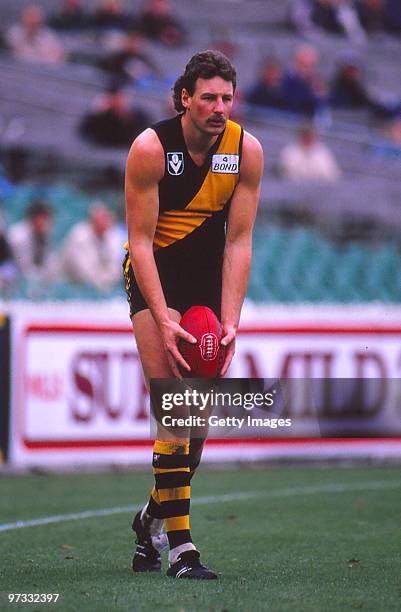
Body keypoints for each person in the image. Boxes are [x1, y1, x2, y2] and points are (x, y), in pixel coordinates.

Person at [123, 50, 263, 579]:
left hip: (207, 285)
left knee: (195, 439)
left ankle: (148, 521)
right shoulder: (150, 149)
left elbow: (241, 241)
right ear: (185, 97)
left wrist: (231, 321)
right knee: (175, 416)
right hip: (154, 278)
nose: (219, 108)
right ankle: (181, 551)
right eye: (208, 97)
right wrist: (161, 316)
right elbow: (139, 240)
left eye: (227, 98)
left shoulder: (246, 151)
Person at [61, 202, 122, 291]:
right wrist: (104, 283)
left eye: (105, 218)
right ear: (92, 221)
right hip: (71, 286)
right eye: (100, 219)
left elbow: (116, 270)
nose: (103, 222)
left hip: (101, 286)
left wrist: (106, 283)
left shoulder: (113, 235)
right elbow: (83, 274)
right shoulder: (79, 236)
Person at [8, 199, 59, 285]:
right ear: (33, 218)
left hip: (33, 281)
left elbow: (52, 267)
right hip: (13, 281)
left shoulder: (45, 234)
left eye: (46, 218)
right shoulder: (18, 236)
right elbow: (24, 269)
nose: (45, 222)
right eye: (42, 217)